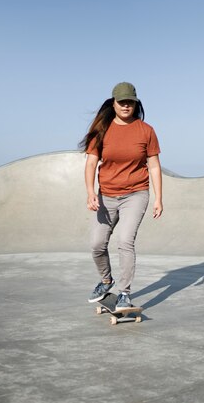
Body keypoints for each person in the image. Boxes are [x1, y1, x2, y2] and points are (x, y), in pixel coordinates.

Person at [79, 82, 163, 311]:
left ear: (136, 103)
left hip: (136, 194)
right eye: (122, 101)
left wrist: (158, 198)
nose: (126, 106)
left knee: (125, 241)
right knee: (97, 244)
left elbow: (154, 166)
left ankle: (124, 293)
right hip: (106, 195)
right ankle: (106, 281)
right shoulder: (102, 130)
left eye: (130, 102)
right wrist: (90, 192)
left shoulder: (146, 130)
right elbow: (91, 164)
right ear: (113, 103)